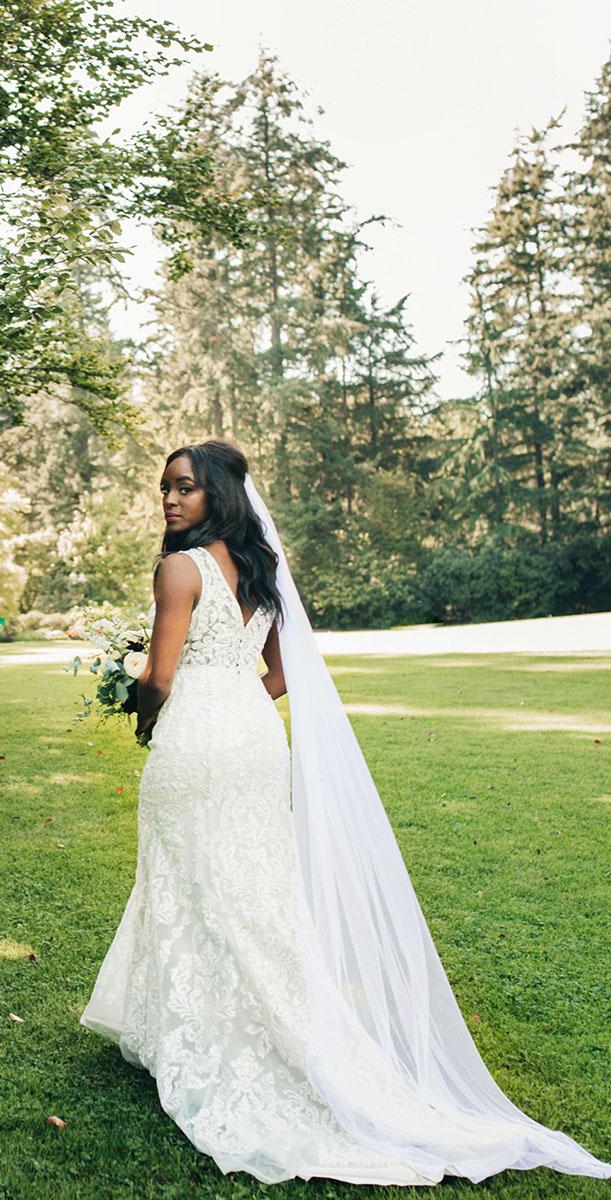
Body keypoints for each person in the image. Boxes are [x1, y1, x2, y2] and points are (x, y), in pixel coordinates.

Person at [78, 438, 611, 1186]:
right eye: (165, 488)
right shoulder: (261, 572)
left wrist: (141, 713)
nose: (169, 500)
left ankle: (215, 1041)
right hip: (257, 742)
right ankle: (248, 1030)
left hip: (196, 743)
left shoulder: (177, 568)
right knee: (253, 888)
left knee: (195, 883)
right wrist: (233, 703)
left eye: (185, 489)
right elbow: (282, 670)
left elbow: (160, 676)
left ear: (218, 497)